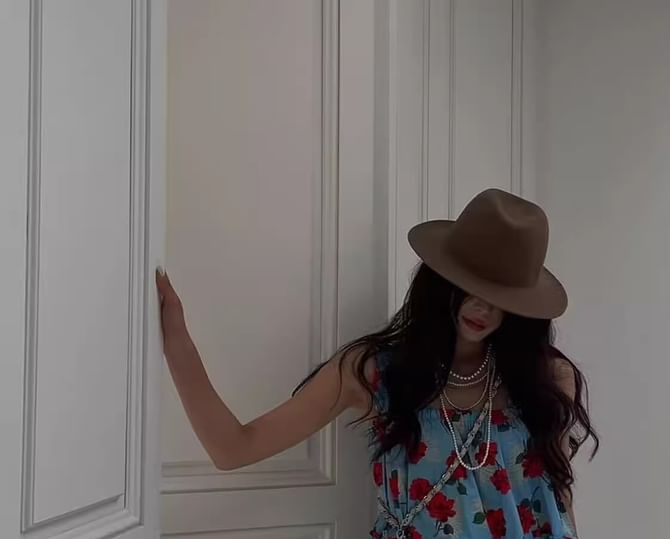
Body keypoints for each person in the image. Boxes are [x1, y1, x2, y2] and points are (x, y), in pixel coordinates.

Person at [156, 188, 598, 539]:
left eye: (501, 295)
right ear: (442, 279)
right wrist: (176, 340)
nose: (483, 306)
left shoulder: (546, 379)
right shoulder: (373, 373)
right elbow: (233, 448)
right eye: (470, 285)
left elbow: (558, 500)